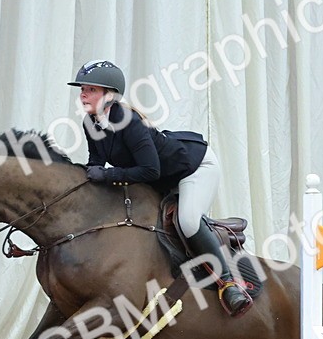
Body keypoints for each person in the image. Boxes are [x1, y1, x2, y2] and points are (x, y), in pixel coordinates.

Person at [68, 59, 252, 317]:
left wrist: (107, 174)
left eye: (91, 90)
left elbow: (149, 170)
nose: (83, 94)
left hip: (193, 168)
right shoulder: (90, 123)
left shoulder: (129, 122)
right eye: (82, 89)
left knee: (188, 221)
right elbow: (96, 163)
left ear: (109, 95)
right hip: (157, 177)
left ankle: (229, 282)